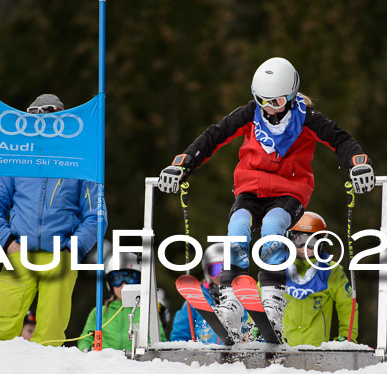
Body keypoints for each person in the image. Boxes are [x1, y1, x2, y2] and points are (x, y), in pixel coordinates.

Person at [157, 57, 374, 342]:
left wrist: (358, 164)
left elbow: (341, 140)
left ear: (292, 94)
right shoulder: (249, 114)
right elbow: (213, 136)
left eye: (277, 101)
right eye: (263, 100)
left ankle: (272, 303)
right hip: (250, 188)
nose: (269, 108)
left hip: (288, 192)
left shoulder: (307, 119)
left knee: (272, 228)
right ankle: (232, 303)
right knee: (236, 229)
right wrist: (182, 164)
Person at [0, 94, 100, 346]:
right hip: (19, 251)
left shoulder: (79, 162)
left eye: (49, 117)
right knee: (0, 323)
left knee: (50, 333)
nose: (42, 124)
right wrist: (8, 242)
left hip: (59, 255)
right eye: (35, 118)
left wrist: (71, 249)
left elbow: (96, 216)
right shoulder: (17, 158)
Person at [283, 211, 358, 346]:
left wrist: (347, 338)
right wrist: (254, 329)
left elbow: (347, 305)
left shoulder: (332, 271)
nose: (305, 248)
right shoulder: (276, 267)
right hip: (280, 349)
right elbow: (259, 299)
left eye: (312, 243)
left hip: (316, 352)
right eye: (299, 241)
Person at [77, 251, 165, 351]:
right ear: (110, 283)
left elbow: (158, 340)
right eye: (117, 279)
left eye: (130, 278)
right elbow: (85, 339)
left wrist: (147, 353)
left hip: (137, 363)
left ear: (140, 281)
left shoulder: (148, 311)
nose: (123, 285)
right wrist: (87, 351)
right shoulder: (99, 313)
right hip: (105, 363)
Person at [170, 243, 226, 344]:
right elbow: (180, 335)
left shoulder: (245, 297)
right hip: (203, 357)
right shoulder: (196, 298)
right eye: (215, 270)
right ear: (206, 271)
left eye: (226, 269)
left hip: (238, 358)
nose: (220, 275)